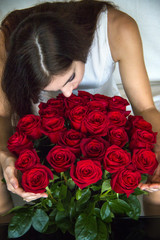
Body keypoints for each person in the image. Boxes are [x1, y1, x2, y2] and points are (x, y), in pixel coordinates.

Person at [0, 0, 160, 215]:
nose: (67, 93)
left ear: (79, 47)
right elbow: (2, 114)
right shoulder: (6, 38)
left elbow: (145, 107)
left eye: (72, 77)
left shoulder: (118, 27)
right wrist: (5, 156)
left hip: (106, 129)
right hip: (45, 134)